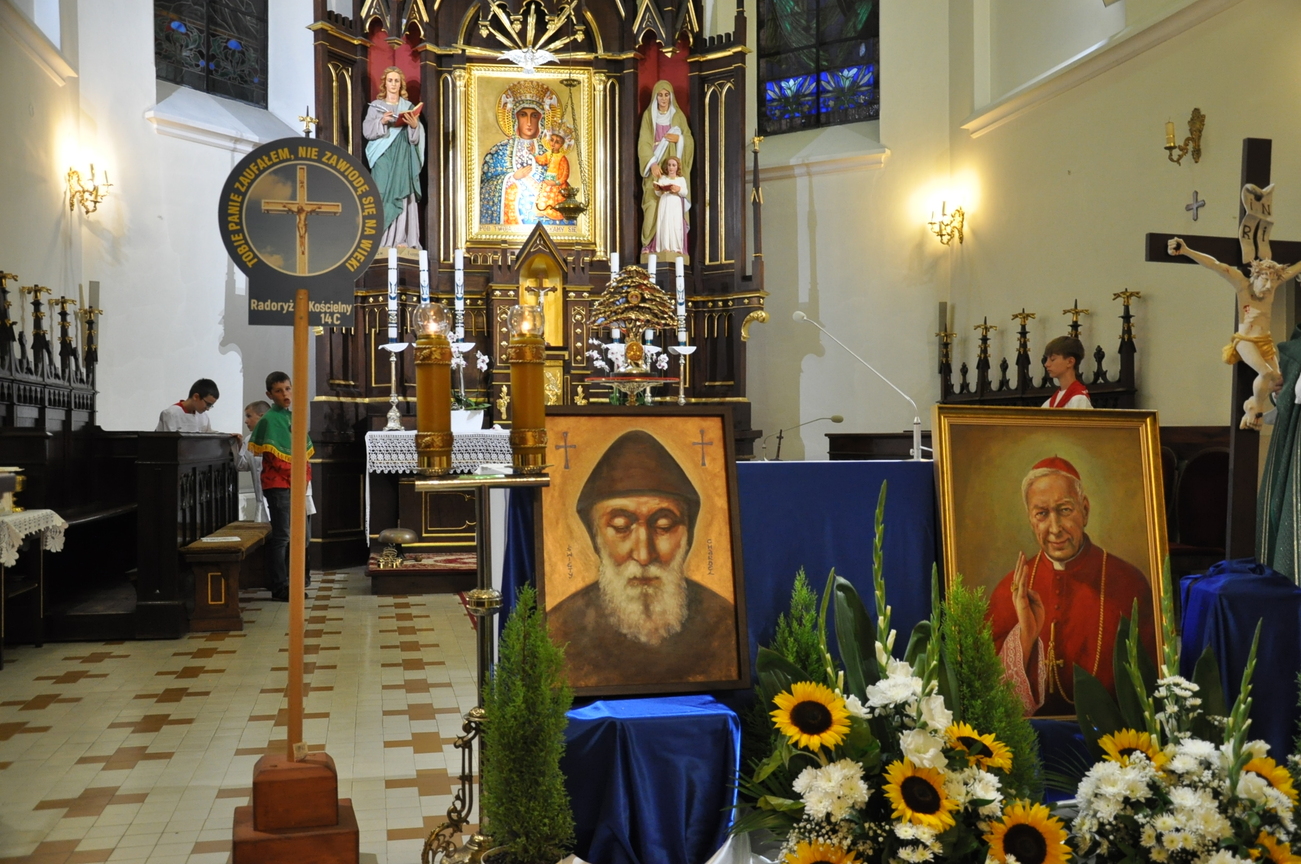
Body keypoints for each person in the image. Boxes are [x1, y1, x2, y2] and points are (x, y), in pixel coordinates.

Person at [547, 430, 738, 687]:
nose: (644, 555)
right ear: (595, 535)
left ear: (688, 536)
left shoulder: (724, 625)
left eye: (663, 526)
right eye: (621, 526)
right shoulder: (560, 629)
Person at [988, 456, 1155, 716]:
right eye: (1042, 514)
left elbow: (1148, 681)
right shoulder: (1008, 590)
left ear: (1084, 510)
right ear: (1031, 519)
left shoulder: (1129, 583)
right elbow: (989, 692)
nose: (1055, 528)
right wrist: (1025, 638)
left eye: (1065, 510)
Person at [1169, 229, 1301, 430]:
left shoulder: (1272, 284)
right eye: (1265, 280)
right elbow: (1215, 265)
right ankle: (1256, 408)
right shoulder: (1242, 285)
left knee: (1278, 380)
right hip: (1245, 340)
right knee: (1265, 373)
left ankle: (1262, 408)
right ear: (1255, 275)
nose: (1268, 287)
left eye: (1272, 282)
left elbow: (1296, 269)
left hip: (1264, 340)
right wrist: (1186, 250)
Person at [248, 372, 315, 601]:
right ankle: (279, 586)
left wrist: (304, 479)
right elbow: (278, 461)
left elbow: (304, 455)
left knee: (301, 535)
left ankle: (295, 580)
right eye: (278, 391)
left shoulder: (293, 417)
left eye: (287, 389)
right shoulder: (270, 420)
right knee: (283, 536)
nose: (285, 394)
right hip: (279, 486)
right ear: (270, 394)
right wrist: (297, 478)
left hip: (296, 485)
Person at [479, 80, 568, 227]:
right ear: (515, 118)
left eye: (534, 116)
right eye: (523, 115)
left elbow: (561, 183)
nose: (529, 122)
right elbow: (484, 187)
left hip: (545, 219)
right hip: (508, 223)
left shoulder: (550, 153)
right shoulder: (500, 151)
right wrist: (512, 177)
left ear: (541, 119)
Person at [364, 66, 424, 249]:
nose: (393, 84)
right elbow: (367, 131)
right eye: (390, 80)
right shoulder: (375, 106)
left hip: (403, 155)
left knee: (402, 191)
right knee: (381, 192)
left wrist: (414, 126)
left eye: (397, 81)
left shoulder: (408, 107)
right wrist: (382, 121)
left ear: (401, 84)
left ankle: (401, 238)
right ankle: (381, 240)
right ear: (384, 83)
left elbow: (416, 138)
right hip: (382, 156)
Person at [638, 80, 694, 260]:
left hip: (672, 167)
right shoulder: (649, 116)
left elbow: (689, 140)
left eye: (666, 95)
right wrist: (652, 164)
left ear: (671, 97)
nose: (663, 98)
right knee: (652, 205)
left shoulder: (678, 116)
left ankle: (673, 246)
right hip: (655, 168)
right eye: (660, 95)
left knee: (672, 206)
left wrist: (679, 140)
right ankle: (649, 244)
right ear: (655, 97)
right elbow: (643, 143)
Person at [236, 401, 270, 522]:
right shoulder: (249, 439)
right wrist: (239, 446)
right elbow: (242, 466)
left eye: (249, 416)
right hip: (260, 499)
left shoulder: (276, 436)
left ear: (262, 416)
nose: (246, 421)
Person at [651, 156, 690, 258]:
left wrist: (678, 189)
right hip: (665, 202)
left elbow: (685, 192)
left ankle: (677, 247)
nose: (671, 167)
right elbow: (658, 194)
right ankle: (665, 246)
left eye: (673, 165)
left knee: (676, 224)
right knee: (665, 223)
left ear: (677, 167)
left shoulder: (681, 179)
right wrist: (657, 189)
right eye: (669, 165)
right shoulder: (663, 178)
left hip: (675, 203)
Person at [1041, 335, 1092, 408]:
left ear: (1070, 362)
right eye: (1047, 359)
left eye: (1052, 359)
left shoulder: (1079, 399)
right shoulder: (1049, 403)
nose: (1046, 364)